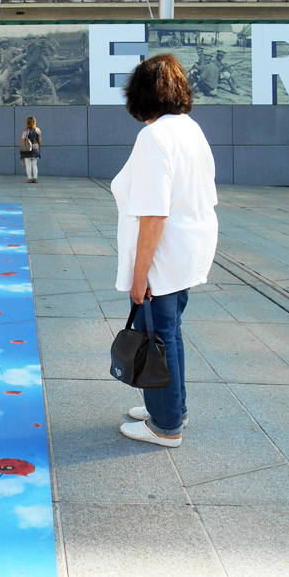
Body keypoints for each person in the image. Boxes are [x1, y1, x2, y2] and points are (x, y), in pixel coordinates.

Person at [111, 54, 218, 447]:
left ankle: (166, 424)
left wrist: (140, 278)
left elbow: (154, 215)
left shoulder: (154, 137)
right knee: (168, 335)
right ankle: (171, 408)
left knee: (158, 334)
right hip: (189, 249)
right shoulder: (190, 129)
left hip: (165, 254)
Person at [20, 116, 42, 183]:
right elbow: (40, 140)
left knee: (28, 165)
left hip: (28, 148)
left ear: (27, 122)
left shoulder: (26, 130)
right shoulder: (37, 129)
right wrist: (39, 147)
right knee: (34, 164)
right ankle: (35, 178)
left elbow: (23, 140)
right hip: (36, 147)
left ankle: (29, 178)